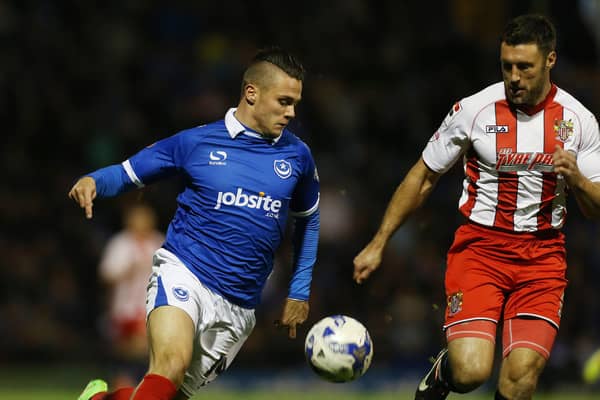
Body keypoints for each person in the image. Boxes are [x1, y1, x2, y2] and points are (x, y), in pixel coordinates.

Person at [353, 14, 600, 400]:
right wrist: (380, 240)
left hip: (543, 257)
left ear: (550, 61)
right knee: (471, 372)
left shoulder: (579, 120)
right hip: (480, 251)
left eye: (524, 67)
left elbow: (595, 208)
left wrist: (579, 181)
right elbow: (423, 176)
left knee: (520, 378)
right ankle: (443, 371)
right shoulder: (474, 110)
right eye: (507, 66)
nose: (514, 77)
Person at [71, 47, 320, 400]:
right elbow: (130, 173)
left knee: (167, 395)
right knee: (170, 366)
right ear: (252, 92)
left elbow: (308, 222)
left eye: (295, 103)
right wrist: (95, 180)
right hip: (185, 271)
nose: (291, 112)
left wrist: (299, 289)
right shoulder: (196, 142)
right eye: (283, 101)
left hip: (240, 305)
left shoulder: (298, 156)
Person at [98, 203, 165, 389]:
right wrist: (128, 270)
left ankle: (133, 382)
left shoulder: (158, 242)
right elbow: (107, 274)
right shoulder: (121, 243)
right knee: (125, 349)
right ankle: (125, 381)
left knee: (143, 346)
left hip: (150, 305)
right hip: (124, 306)